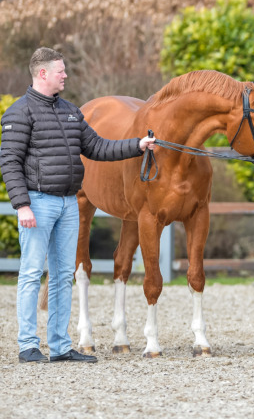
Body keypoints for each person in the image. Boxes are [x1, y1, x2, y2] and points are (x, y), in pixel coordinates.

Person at [0, 47, 156, 364]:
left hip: (69, 204)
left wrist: (137, 145)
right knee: (31, 274)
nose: (66, 75)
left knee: (62, 276)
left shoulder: (71, 111)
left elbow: (97, 147)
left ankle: (59, 346)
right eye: (61, 71)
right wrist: (22, 205)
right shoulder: (20, 113)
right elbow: (10, 162)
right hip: (38, 204)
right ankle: (28, 345)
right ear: (42, 73)